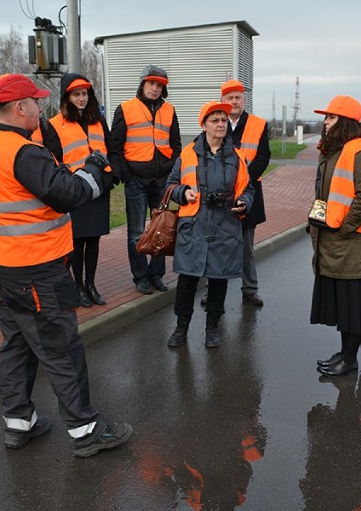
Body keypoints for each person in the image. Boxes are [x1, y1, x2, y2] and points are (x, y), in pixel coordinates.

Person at [0, 74, 131, 457]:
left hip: (0, 268)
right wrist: (95, 173)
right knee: (62, 350)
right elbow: (66, 195)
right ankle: (86, 431)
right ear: (20, 108)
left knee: (17, 348)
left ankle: (18, 423)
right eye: (36, 103)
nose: (41, 110)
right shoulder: (24, 151)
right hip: (38, 270)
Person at [164, 101, 253, 349]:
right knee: (187, 281)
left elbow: (248, 190)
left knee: (218, 280)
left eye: (224, 120)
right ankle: (181, 328)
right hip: (194, 226)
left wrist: (244, 202)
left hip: (224, 227)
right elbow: (170, 185)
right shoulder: (188, 153)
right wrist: (183, 193)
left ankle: (212, 328)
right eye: (215, 120)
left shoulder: (237, 156)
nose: (221, 124)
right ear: (203, 125)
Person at [310, 96, 361, 377]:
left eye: (330, 118)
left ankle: (350, 359)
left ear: (344, 121)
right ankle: (345, 353)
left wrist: (345, 228)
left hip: (352, 241)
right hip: (334, 238)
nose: (325, 123)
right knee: (342, 303)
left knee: (352, 304)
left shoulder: (358, 151)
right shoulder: (332, 151)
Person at [43, 73, 116, 307]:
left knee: (93, 240)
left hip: (99, 189)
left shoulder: (98, 120)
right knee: (77, 242)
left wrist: (111, 174)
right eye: (76, 94)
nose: (82, 98)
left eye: (84, 94)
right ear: (67, 97)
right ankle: (78, 287)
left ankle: (91, 284)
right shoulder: (54, 124)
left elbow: (111, 148)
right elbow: (54, 158)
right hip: (76, 190)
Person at [109, 65, 182, 295]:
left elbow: (176, 145)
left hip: (162, 181)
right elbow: (115, 146)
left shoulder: (170, 111)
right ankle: (140, 277)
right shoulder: (125, 108)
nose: (155, 88)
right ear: (142, 84)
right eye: (151, 83)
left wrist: (172, 173)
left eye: (159, 85)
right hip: (136, 181)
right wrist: (127, 175)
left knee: (163, 229)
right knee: (136, 233)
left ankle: (156, 274)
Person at [220, 79, 270, 307]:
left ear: (244, 99)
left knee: (247, 245)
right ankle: (213, 289)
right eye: (229, 98)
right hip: (220, 192)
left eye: (238, 97)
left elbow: (263, 157)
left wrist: (242, 180)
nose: (234, 101)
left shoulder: (258, 124)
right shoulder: (216, 122)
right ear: (223, 101)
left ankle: (249, 289)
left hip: (249, 192)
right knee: (217, 243)